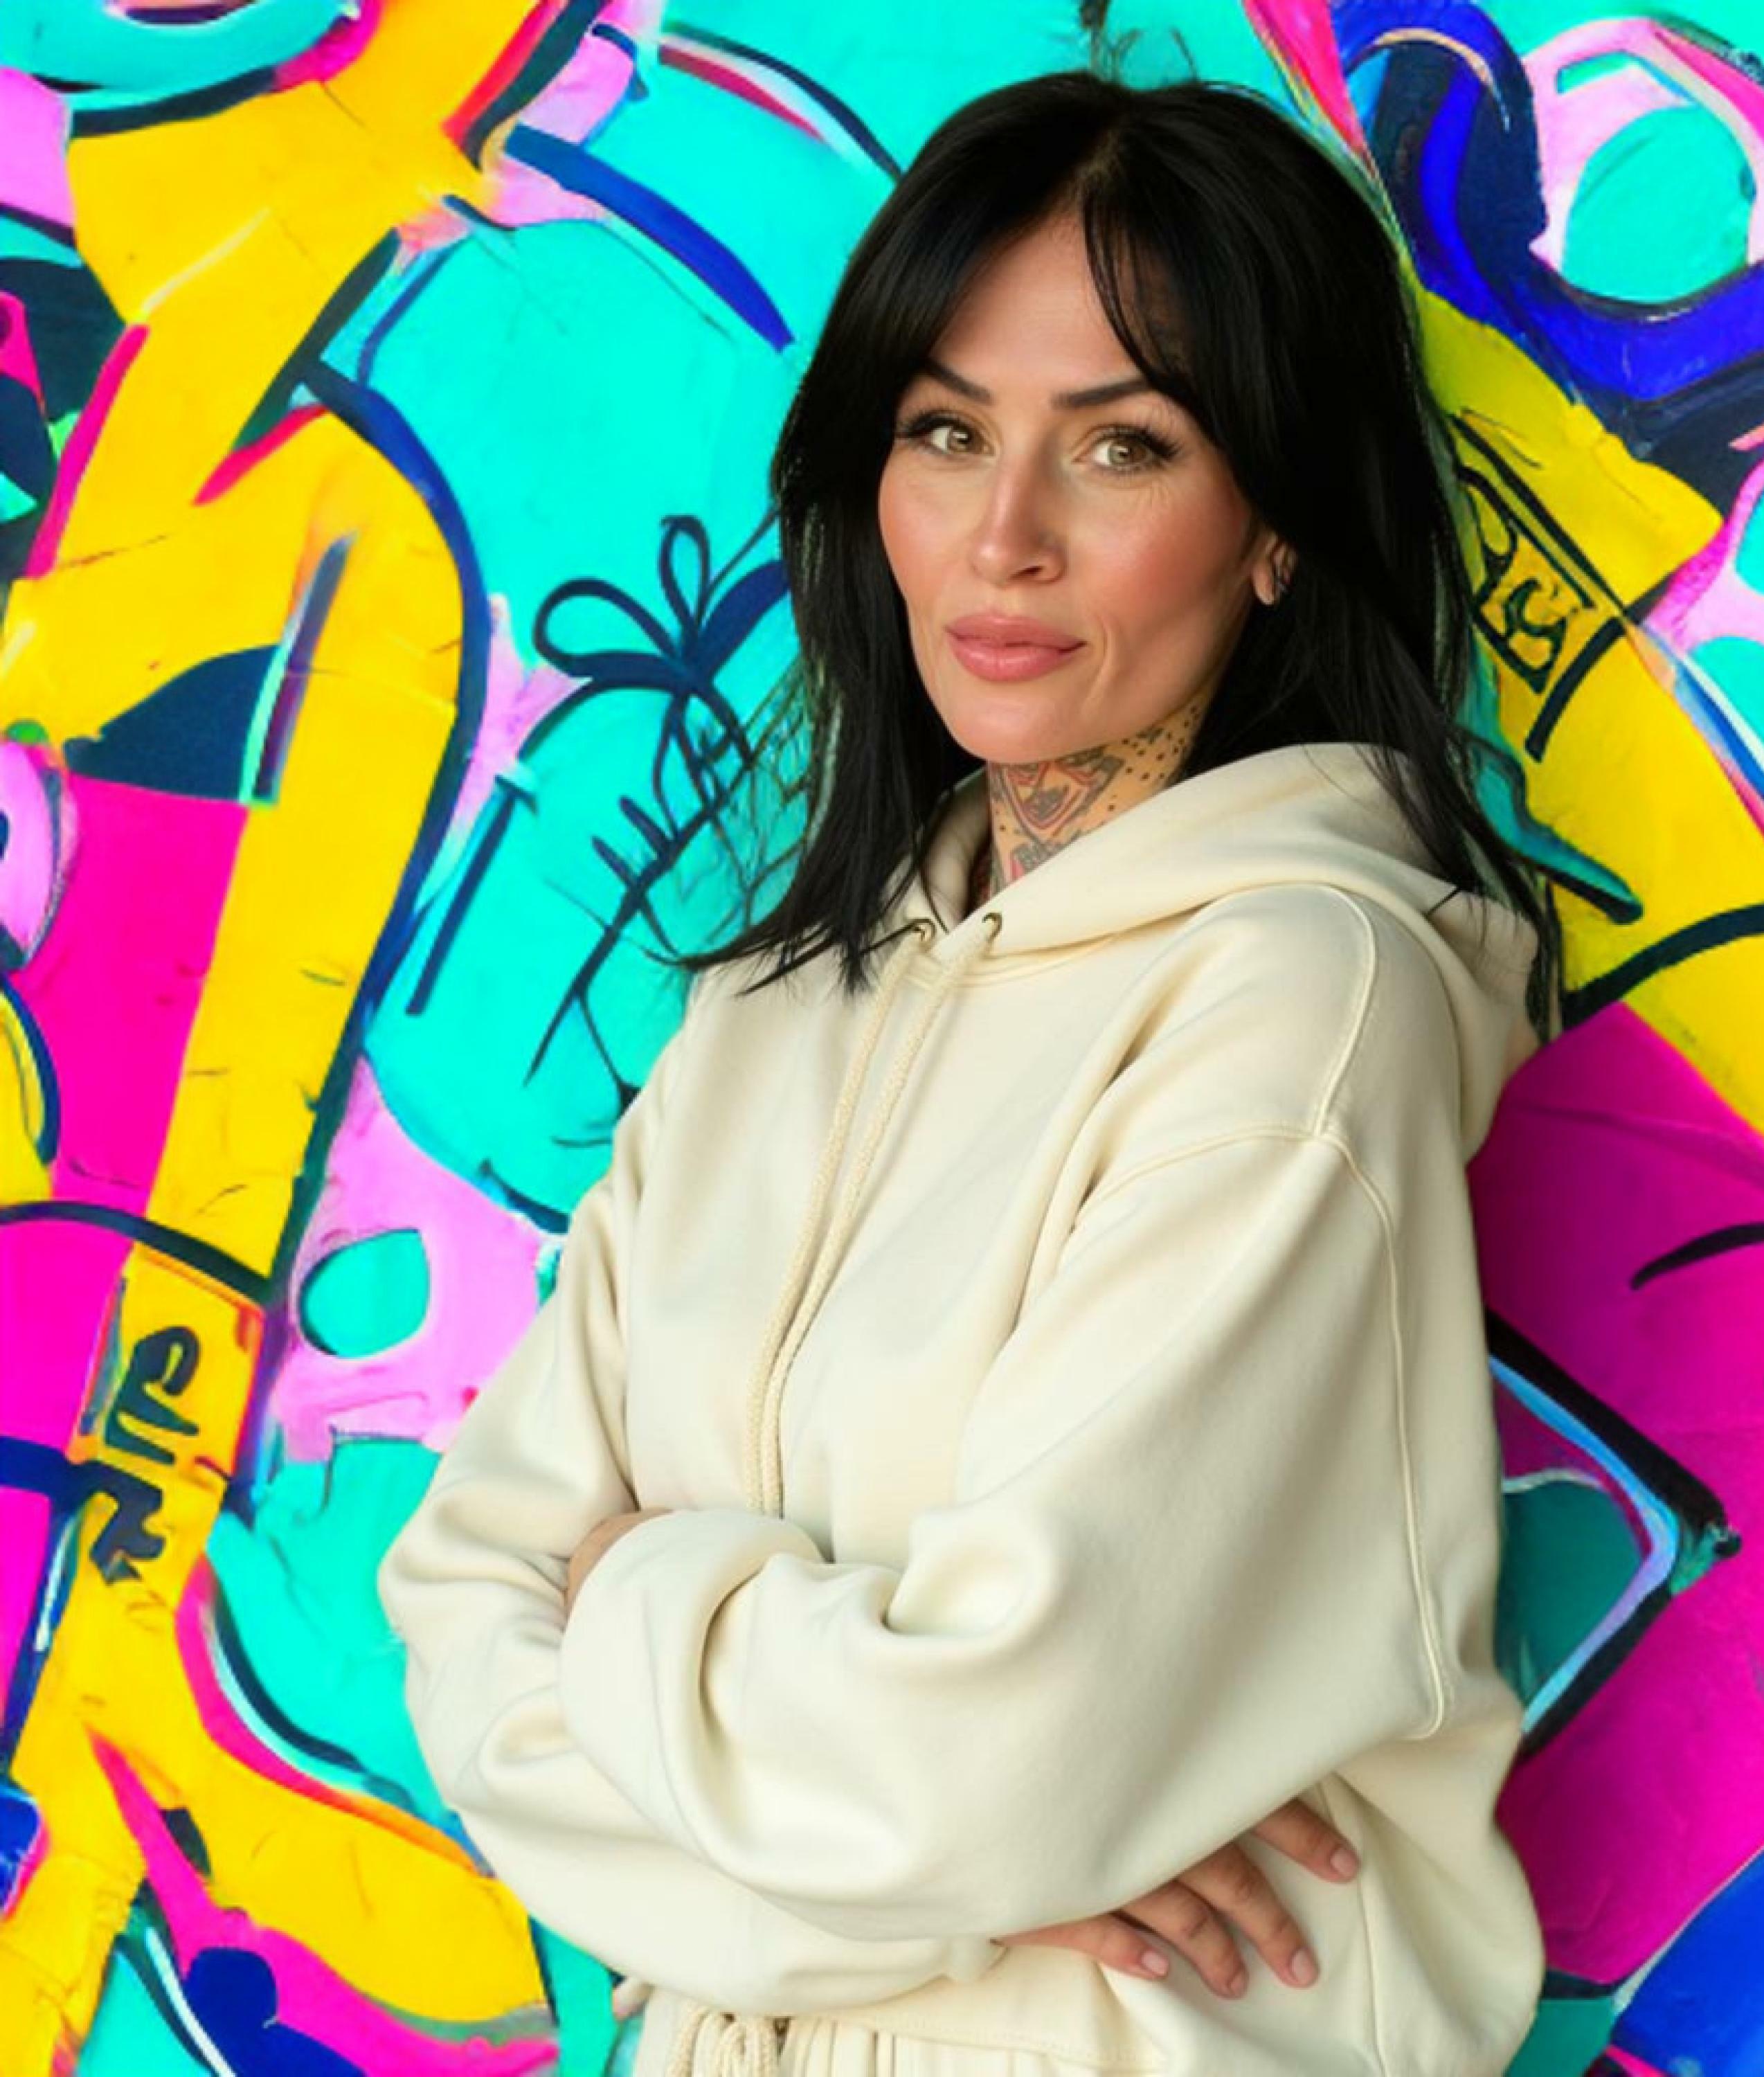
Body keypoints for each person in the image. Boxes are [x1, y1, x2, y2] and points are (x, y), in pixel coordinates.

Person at [377, 66, 1556, 2077]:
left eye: (1122, 448)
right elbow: (465, 1633)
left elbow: (987, 1767)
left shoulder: (1300, 1000)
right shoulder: (771, 1017)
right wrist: (953, 1860)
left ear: (1275, 524)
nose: (1003, 539)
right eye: (946, 434)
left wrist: (634, 1593)